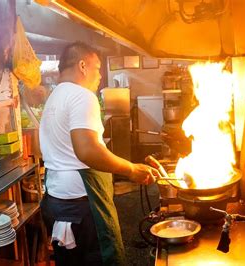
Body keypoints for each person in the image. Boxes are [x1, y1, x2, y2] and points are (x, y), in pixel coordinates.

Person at [39, 42, 159, 266]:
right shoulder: (82, 96)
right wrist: (131, 169)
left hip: (57, 201)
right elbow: (87, 150)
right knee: (102, 260)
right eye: (97, 68)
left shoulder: (54, 97)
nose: (100, 76)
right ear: (82, 66)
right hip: (83, 204)